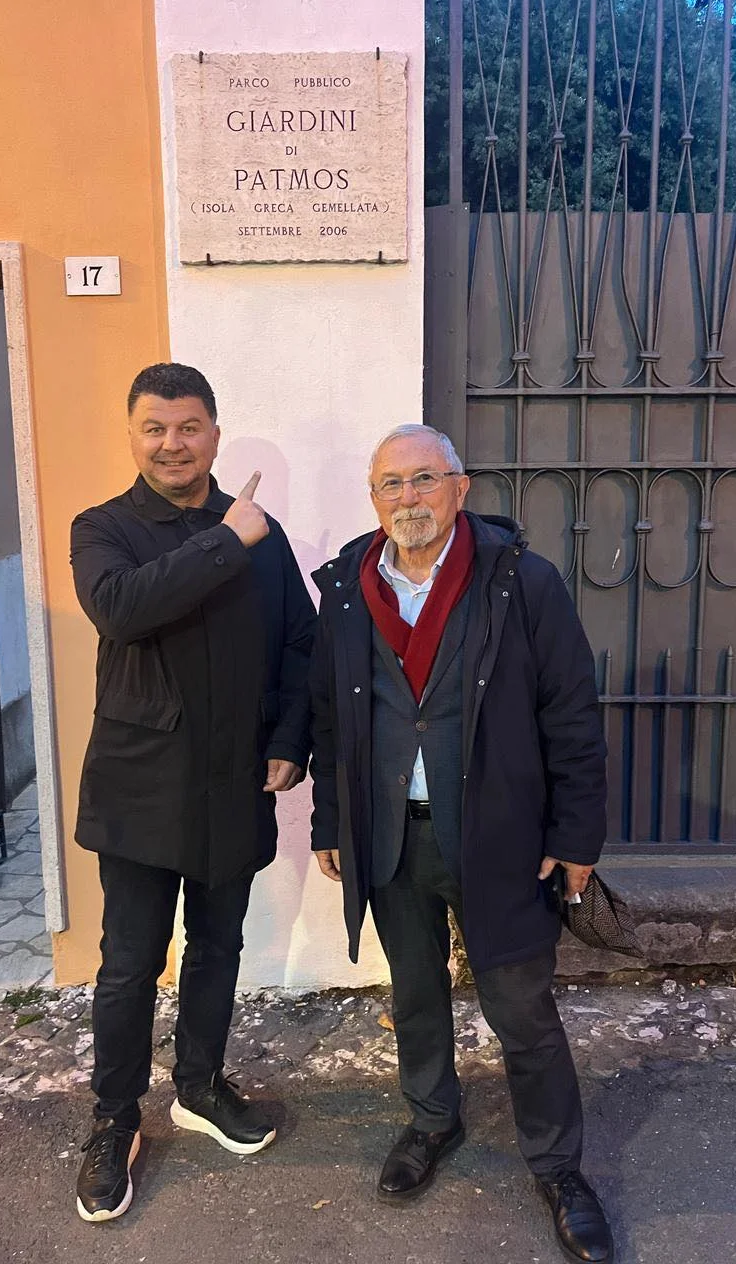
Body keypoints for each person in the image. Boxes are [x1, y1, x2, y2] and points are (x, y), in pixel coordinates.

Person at [309, 425, 613, 1263]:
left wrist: (575, 833)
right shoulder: (346, 589)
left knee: (522, 1010)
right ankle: (432, 1119)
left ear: (460, 486)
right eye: (391, 483)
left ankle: (559, 1167)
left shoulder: (521, 582)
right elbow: (333, 718)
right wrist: (331, 821)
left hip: (499, 838)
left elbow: (571, 712)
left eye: (424, 478)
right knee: (415, 994)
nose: (408, 497)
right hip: (390, 837)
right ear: (374, 497)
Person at [69, 363, 315, 1222]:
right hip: (140, 789)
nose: (172, 444)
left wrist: (288, 742)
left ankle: (200, 1087)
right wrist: (225, 541)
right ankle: (114, 1118)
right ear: (132, 435)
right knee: (130, 964)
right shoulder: (103, 528)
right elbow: (121, 609)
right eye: (155, 428)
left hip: (232, 782)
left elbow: (301, 643)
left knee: (218, 948)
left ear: (214, 431)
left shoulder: (261, 534)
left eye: (188, 427)